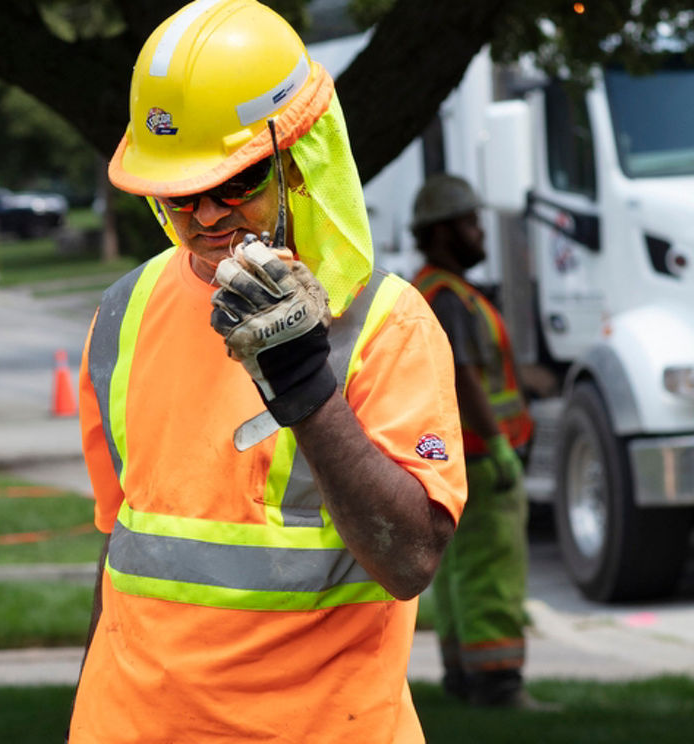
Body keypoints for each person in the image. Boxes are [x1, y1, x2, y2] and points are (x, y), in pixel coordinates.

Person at [69, 2, 468, 742]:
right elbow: (124, 547)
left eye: (237, 182)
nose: (207, 216)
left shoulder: (387, 323)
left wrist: (306, 384)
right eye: (180, 191)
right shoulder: (123, 312)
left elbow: (410, 559)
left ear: (301, 158)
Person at [411, 174, 540, 708]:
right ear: (442, 233)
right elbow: (463, 376)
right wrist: (498, 440)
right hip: (484, 460)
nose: (479, 232)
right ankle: (499, 685)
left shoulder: (435, 292)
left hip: (459, 459)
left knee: (462, 574)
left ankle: (465, 679)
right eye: (468, 222)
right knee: (492, 572)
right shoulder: (446, 297)